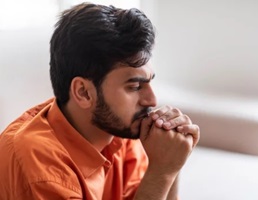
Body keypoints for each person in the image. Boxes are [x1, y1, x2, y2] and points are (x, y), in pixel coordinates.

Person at [0, 3, 200, 200]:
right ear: (84, 93)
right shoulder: (40, 170)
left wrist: (172, 164)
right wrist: (162, 171)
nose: (152, 100)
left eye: (149, 83)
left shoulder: (119, 131)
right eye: (134, 86)